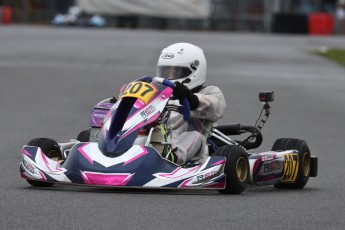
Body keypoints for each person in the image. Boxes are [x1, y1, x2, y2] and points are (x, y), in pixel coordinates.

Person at [156, 42, 226, 165]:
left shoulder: (210, 92)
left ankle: (173, 157)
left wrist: (191, 99)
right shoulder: (160, 94)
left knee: (194, 136)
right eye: (166, 72)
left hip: (190, 151)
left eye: (177, 72)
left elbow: (215, 107)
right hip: (160, 141)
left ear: (195, 71)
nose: (170, 77)